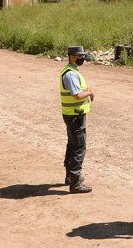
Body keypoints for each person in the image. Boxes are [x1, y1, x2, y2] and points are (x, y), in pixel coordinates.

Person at [60, 46, 95, 194]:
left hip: (72, 114)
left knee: (72, 145)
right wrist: (89, 92)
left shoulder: (70, 71)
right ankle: (75, 183)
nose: (82, 59)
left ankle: (70, 176)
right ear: (72, 57)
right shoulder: (70, 74)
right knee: (79, 148)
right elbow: (76, 95)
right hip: (75, 115)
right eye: (80, 56)